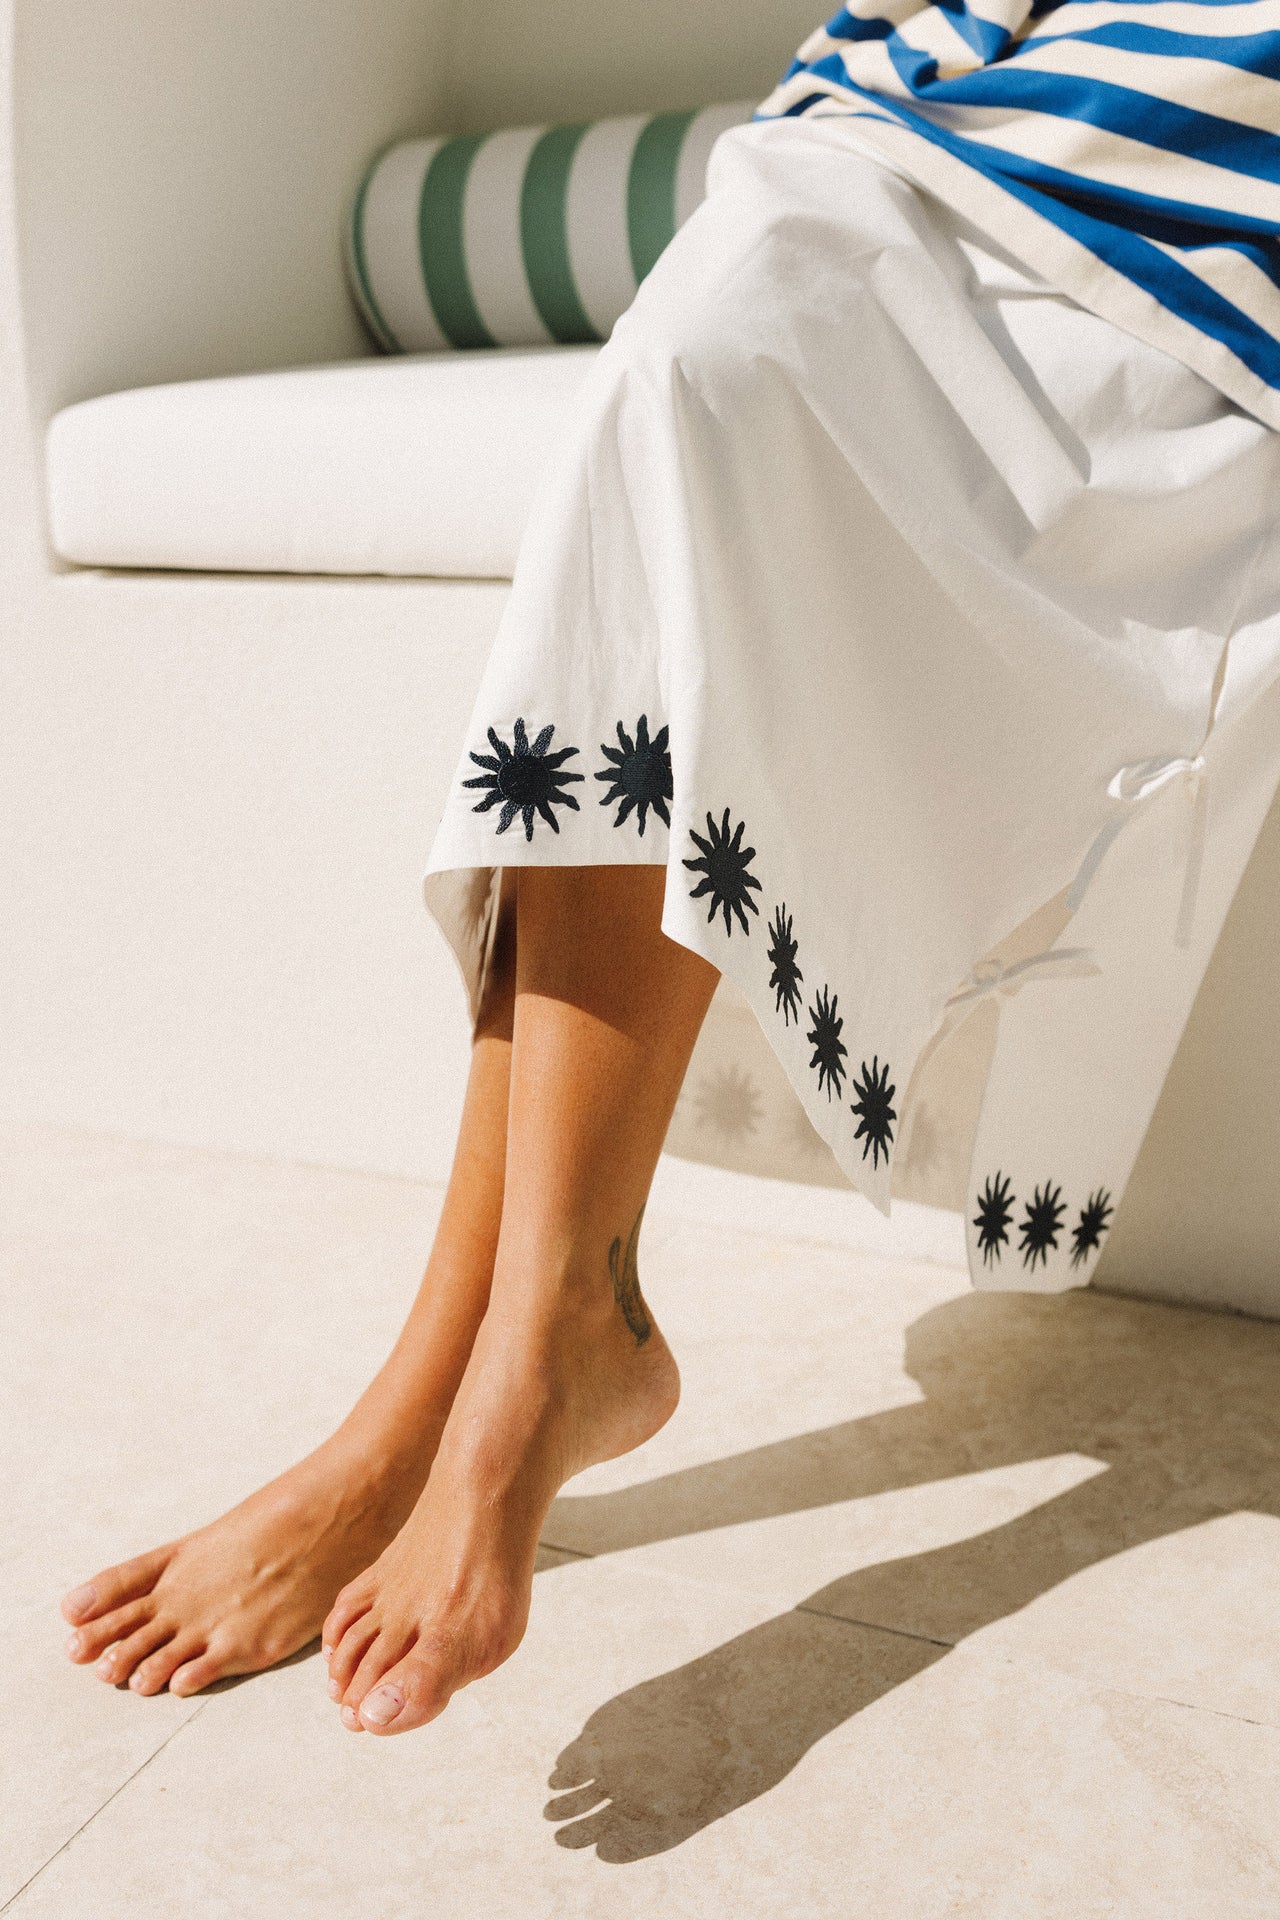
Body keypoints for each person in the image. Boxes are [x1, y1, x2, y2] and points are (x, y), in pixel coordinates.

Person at [62, 0, 1280, 1735]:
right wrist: (836, 125)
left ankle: (460, 1388)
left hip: (1230, 262)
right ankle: (506, 1363)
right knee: (694, 354)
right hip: (964, 155)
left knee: (698, 455)